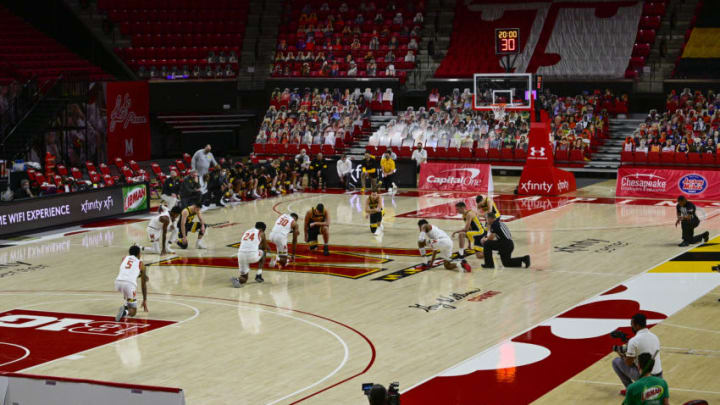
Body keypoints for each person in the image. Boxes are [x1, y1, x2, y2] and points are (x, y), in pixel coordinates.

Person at [612, 313, 664, 396]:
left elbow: (628, 363)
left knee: (615, 362)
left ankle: (631, 390)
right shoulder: (655, 337)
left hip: (646, 378)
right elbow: (641, 346)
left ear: (637, 326)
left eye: (632, 324)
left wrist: (619, 352)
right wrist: (626, 342)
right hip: (659, 377)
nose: (631, 327)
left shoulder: (634, 341)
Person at [114, 245, 149, 321]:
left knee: (127, 294)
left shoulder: (124, 258)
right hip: (129, 285)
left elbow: (128, 270)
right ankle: (125, 311)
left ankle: (126, 306)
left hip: (118, 282)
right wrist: (144, 299)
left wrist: (138, 274)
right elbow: (143, 285)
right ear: (139, 254)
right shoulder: (141, 264)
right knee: (133, 312)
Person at [233, 222, 269, 287]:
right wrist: (268, 248)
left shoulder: (247, 231)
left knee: (244, 278)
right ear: (262, 229)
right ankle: (259, 275)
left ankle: (238, 280)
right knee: (263, 252)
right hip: (252, 255)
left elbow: (249, 243)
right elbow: (264, 247)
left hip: (241, 255)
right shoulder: (261, 233)